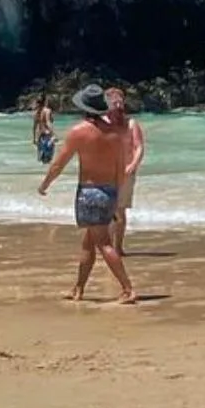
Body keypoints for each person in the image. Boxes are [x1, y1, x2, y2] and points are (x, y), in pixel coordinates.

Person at [38, 84, 138, 304]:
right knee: (88, 242)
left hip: (90, 193)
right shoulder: (115, 133)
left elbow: (59, 164)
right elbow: (120, 170)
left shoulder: (79, 132)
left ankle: (127, 289)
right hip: (110, 191)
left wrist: (45, 184)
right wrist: (116, 198)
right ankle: (78, 289)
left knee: (103, 243)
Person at [107, 87, 146, 255]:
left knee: (119, 210)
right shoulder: (102, 123)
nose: (117, 105)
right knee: (106, 210)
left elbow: (139, 147)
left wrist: (133, 164)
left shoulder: (131, 124)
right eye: (113, 102)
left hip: (125, 172)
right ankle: (106, 246)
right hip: (105, 171)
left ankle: (118, 247)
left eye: (119, 101)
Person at [33, 95, 56, 164]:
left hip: (40, 137)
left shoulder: (36, 113)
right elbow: (48, 122)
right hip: (48, 136)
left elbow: (34, 127)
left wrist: (34, 139)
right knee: (48, 159)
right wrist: (53, 135)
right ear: (45, 102)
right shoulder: (47, 111)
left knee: (41, 159)